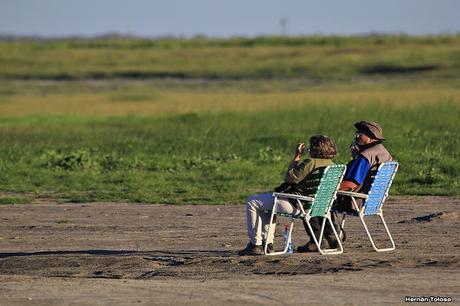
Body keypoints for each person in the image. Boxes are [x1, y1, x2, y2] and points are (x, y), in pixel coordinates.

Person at [297, 121, 393, 252]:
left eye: (360, 134)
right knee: (322, 197)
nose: (356, 136)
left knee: (314, 198)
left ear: (371, 137)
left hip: (356, 200)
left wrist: (326, 188)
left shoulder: (365, 156)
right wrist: (355, 157)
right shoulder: (383, 152)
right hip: (373, 200)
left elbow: (351, 184)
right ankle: (332, 238)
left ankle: (319, 240)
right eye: (356, 133)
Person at [238, 135, 337, 256]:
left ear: (316, 148)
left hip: (298, 204)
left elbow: (289, 178)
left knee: (252, 201)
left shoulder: (311, 162)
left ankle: (255, 244)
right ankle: (267, 244)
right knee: (265, 205)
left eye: (311, 148)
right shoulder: (333, 165)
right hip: (317, 206)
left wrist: (297, 156)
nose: (309, 150)